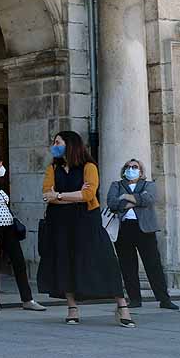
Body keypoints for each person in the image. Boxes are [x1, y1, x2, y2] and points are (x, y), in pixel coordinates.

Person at [37, 131, 135, 327]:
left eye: (58, 142)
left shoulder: (88, 166)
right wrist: (65, 196)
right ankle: (72, 307)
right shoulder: (53, 168)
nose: (54, 145)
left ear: (70, 144)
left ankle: (121, 304)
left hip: (86, 220)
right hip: (60, 222)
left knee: (104, 258)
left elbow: (88, 194)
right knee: (65, 261)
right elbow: (46, 193)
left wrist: (59, 196)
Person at [0, 151, 45, 313]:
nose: (3, 168)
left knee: (19, 262)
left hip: (8, 228)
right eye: (0, 165)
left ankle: (27, 299)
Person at [107, 159, 179, 310]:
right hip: (124, 228)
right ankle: (134, 299)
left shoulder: (149, 185)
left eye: (134, 167)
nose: (130, 169)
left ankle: (164, 299)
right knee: (127, 265)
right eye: (127, 166)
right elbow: (112, 203)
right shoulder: (116, 185)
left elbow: (149, 199)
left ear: (141, 171)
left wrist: (125, 197)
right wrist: (137, 200)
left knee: (153, 265)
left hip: (144, 229)